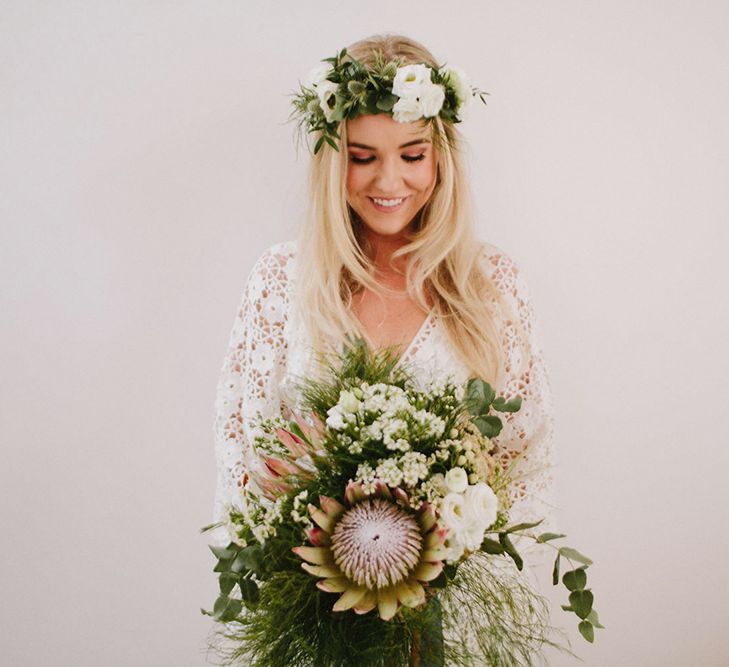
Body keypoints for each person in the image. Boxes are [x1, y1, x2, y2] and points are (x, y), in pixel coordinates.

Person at [210, 33, 555, 551]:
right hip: (311, 606)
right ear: (332, 160)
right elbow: (244, 457)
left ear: (441, 159)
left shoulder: (492, 286)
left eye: (412, 155)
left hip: (450, 613)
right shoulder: (281, 280)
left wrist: (448, 573)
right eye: (363, 156)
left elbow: (525, 462)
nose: (389, 181)